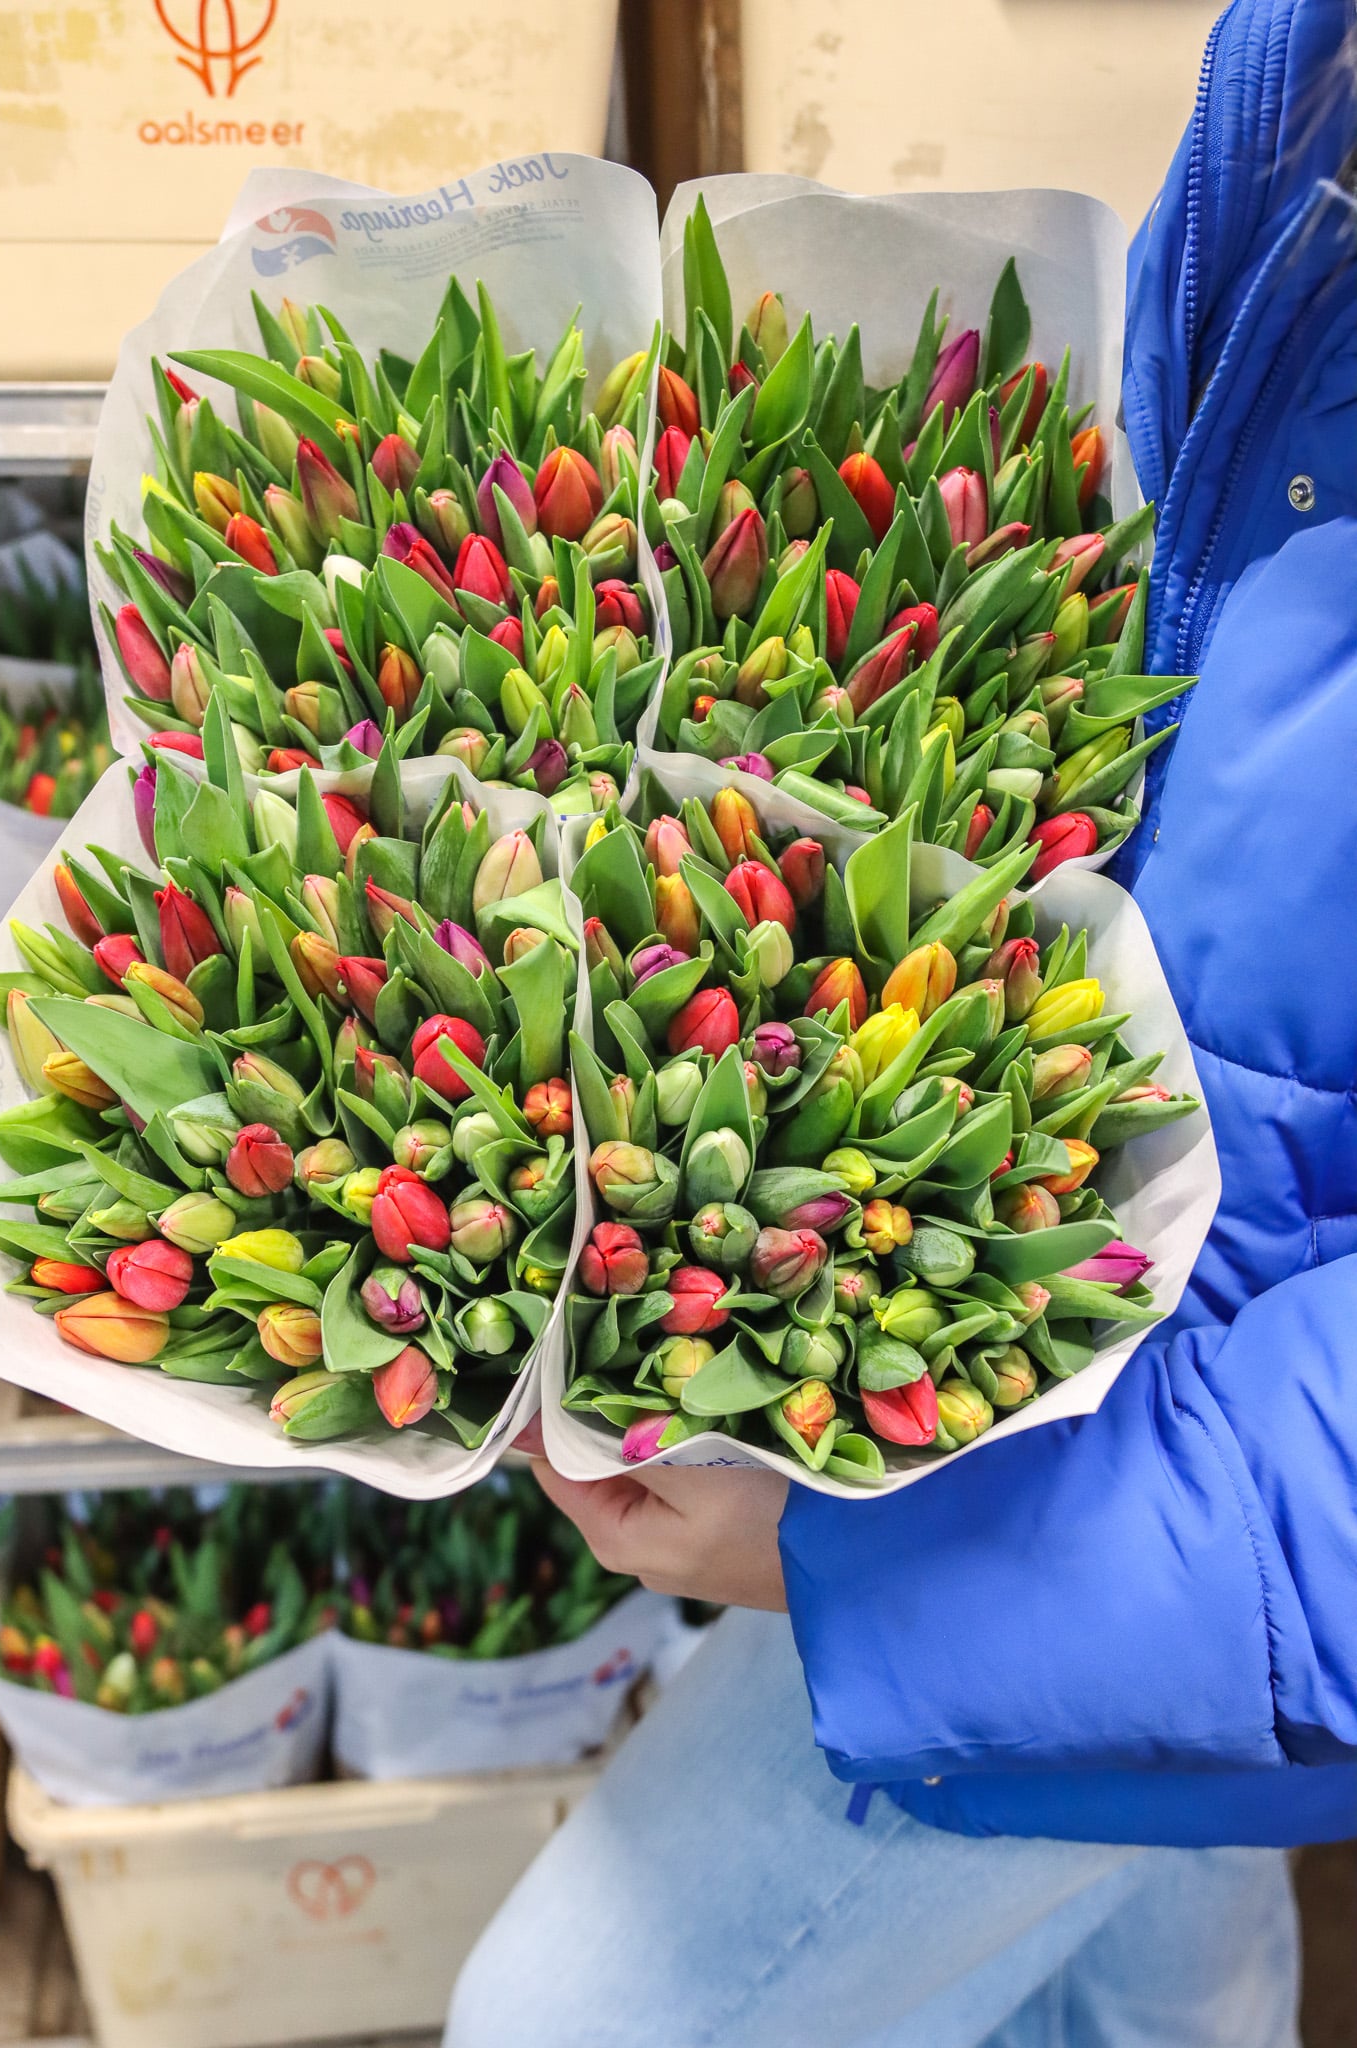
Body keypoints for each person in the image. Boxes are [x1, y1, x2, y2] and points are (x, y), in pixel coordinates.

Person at [448, 1, 1357, 2039]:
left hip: (1149, 1482)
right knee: (1155, 1949)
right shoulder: (1305, 74)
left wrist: (882, 1567)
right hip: (1119, 1332)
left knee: (567, 2022)